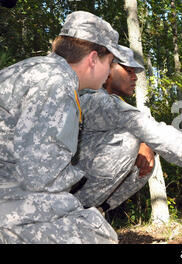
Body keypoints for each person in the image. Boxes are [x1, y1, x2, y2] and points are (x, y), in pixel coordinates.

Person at [0, 11, 129, 244]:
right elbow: (39, 179)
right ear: (92, 59)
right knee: (98, 234)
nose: (110, 72)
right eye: (110, 62)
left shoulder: (35, 69)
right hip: (9, 200)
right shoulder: (57, 84)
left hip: (10, 189)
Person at [72, 46, 182, 213]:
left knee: (145, 154)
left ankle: (96, 211)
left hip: (76, 180)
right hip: (62, 191)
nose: (135, 78)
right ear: (108, 70)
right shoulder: (98, 101)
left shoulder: (105, 101)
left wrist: (145, 144)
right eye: (129, 71)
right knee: (131, 141)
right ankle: (75, 209)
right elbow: (156, 133)